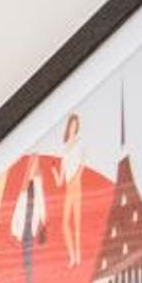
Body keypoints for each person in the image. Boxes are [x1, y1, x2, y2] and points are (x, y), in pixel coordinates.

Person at [59, 113, 86, 267]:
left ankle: (78, 255)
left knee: (76, 222)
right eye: (72, 124)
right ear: (68, 125)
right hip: (68, 185)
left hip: (76, 183)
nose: (73, 127)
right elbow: (60, 180)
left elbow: (83, 162)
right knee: (65, 224)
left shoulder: (79, 142)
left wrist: (77, 176)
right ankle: (72, 256)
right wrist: (55, 173)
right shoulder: (64, 148)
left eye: (76, 125)